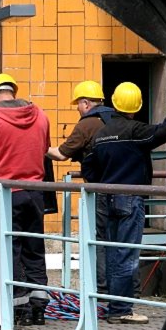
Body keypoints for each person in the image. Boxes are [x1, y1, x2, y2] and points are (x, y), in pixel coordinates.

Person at [84, 82, 166, 324]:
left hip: (105, 197)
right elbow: (162, 131)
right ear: (136, 107)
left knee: (112, 252)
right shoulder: (135, 130)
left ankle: (113, 304)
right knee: (126, 254)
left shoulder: (101, 135)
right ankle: (121, 309)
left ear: (114, 103)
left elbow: (89, 169)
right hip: (129, 198)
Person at [0, 74, 51, 326]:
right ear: (13, 93)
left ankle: (18, 305)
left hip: (6, 193)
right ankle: (39, 306)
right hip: (35, 191)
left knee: (10, 249)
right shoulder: (40, 115)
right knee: (35, 248)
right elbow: (45, 147)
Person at [46, 80, 115, 292]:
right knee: (121, 242)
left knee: (100, 241)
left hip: (100, 190)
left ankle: (101, 291)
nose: (77, 108)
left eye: (78, 103)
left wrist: (37, 145)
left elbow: (61, 154)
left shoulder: (87, 124)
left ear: (86, 103)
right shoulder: (116, 118)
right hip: (125, 188)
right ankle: (122, 292)